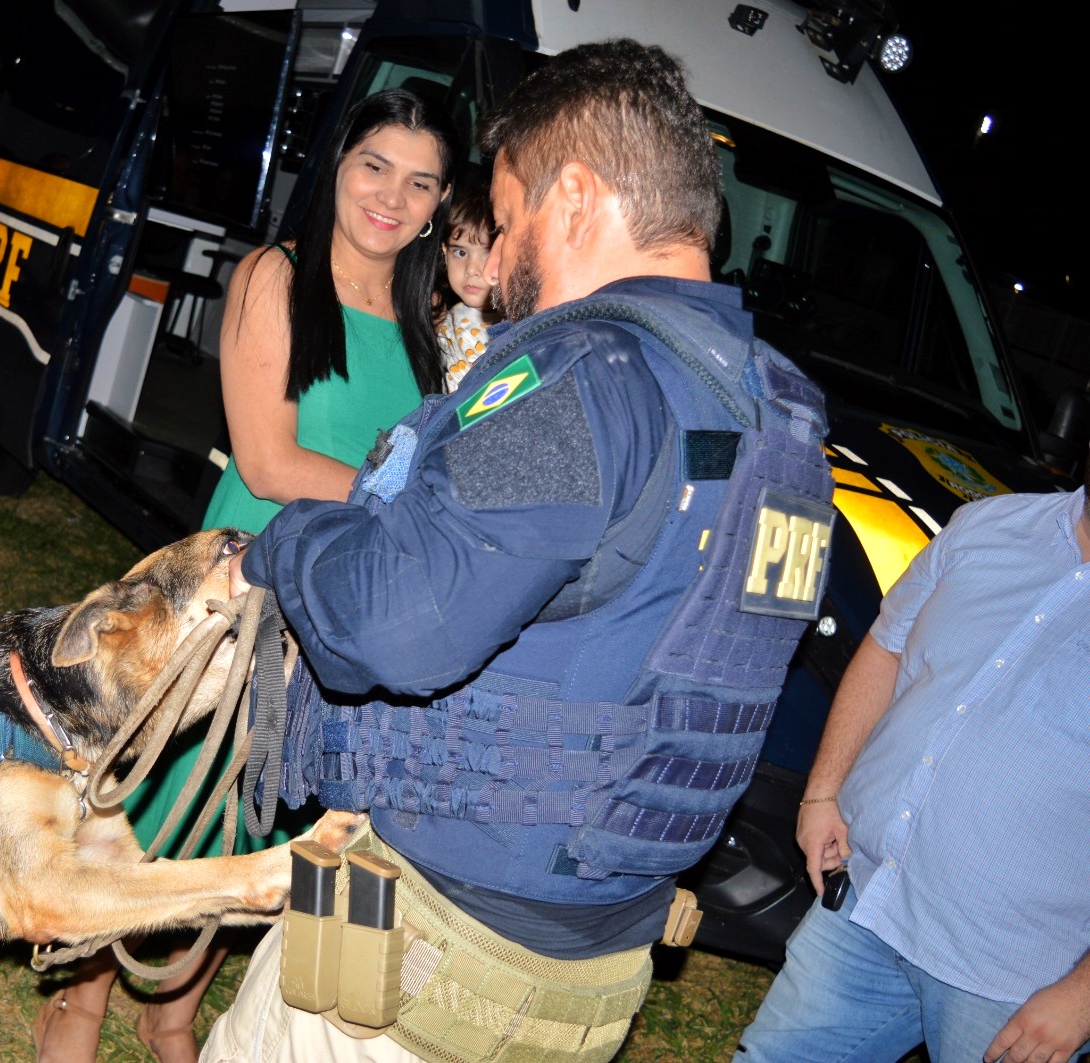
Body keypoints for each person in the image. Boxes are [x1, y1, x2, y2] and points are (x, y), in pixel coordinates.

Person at [201, 40, 832, 1063]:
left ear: (574, 197)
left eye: (509, 217)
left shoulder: (585, 383)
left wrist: (290, 544)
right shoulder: (782, 418)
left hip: (431, 946)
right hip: (596, 956)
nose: (494, 261)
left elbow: (391, 626)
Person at [33, 88, 457, 1063]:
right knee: (171, 795)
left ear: (438, 204)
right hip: (248, 584)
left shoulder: (423, 314)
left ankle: (172, 1009)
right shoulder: (276, 275)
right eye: (374, 167)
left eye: (419, 181)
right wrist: (419, 511)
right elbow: (269, 462)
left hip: (346, 602)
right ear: (337, 168)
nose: (390, 196)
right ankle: (84, 1002)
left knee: (264, 809)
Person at [734, 461, 1090, 1063]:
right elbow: (885, 648)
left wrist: (1082, 998)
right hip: (869, 897)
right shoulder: (987, 524)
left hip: (1013, 976)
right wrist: (823, 793)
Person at [434, 183, 499, 392]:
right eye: (461, 253)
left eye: (487, 253)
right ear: (445, 252)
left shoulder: (520, 322)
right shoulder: (445, 321)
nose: (472, 269)